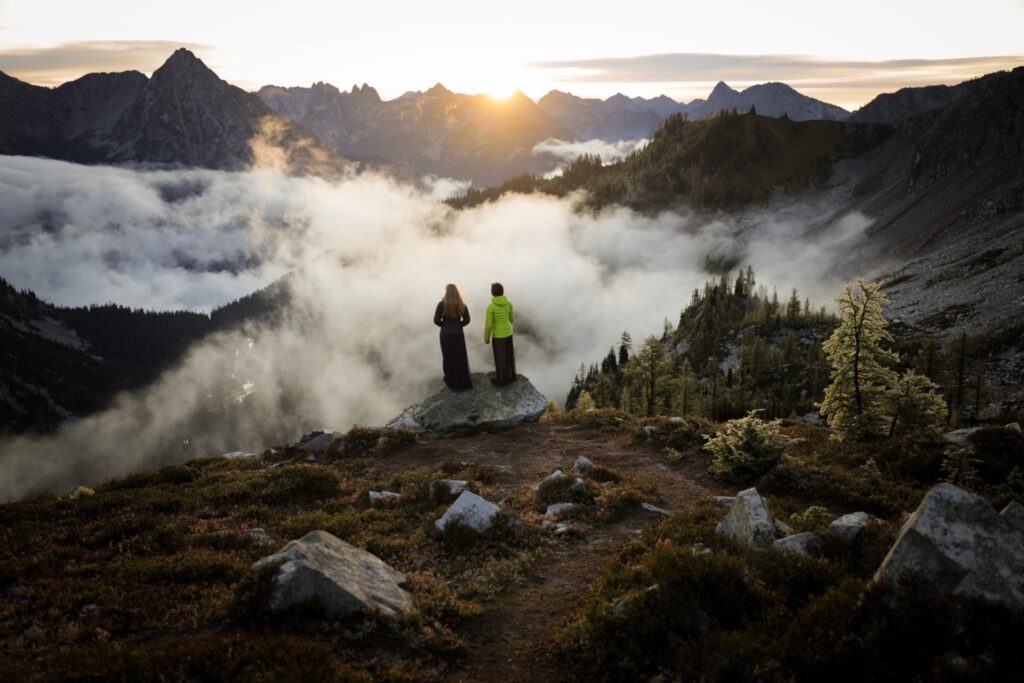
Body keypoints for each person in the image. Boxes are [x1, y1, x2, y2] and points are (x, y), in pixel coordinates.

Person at [434, 283, 472, 391]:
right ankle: (462, 381)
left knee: (448, 357)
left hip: (445, 335)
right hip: (458, 334)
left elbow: (436, 320)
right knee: (460, 357)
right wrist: (459, 325)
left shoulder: (441, 304)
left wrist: (444, 325)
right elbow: (467, 320)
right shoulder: (462, 304)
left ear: (446, 292)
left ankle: (450, 380)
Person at [483, 282, 516, 385]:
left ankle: (501, 381)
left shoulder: (491, 307)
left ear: (492, 293)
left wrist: (486, 338)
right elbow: (511, 318)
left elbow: (489, 325)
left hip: (498, 336)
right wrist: (507, 327)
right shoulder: (509, 303)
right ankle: (511, 377)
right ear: (502, 291)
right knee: (509, 356)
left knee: (500, 358)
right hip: (509, 332)